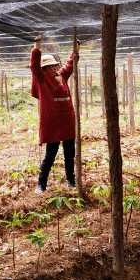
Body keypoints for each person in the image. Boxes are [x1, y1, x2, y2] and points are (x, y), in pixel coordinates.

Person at [29, 35, 80, 193]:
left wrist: (75, 52)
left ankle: (71, 181)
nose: (55, 68)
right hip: (53, 121)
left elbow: (70, 66)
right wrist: (36, 48)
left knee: (69, 153)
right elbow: (34, 67)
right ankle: (41, 184)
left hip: (67, 120)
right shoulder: (41, 79)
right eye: (51, 66)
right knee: (50, 155)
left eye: (55, 65)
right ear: (45, 68)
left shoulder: (61, 76)